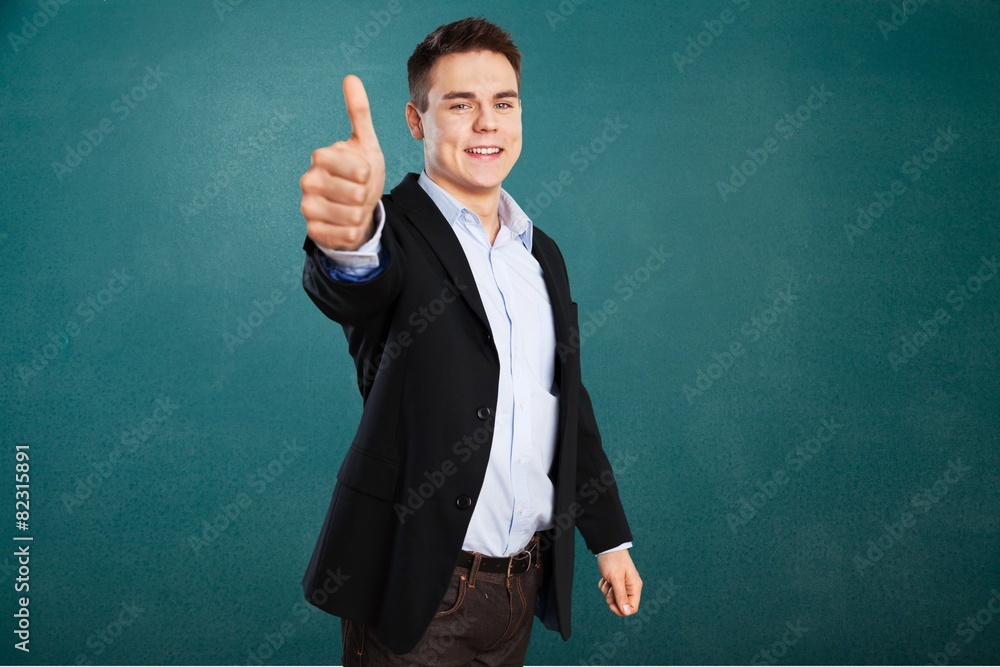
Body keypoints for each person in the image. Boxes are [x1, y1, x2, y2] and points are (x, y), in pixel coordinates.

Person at [297, 16, 642, 666]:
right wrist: (349, 236)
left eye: (503, 103)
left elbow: (567, 408)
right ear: (416, 119)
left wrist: (611, 541)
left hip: (518, 591)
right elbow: (356, 282)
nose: (488, 123)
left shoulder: (542, 255)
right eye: (460, 104)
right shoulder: (392, 232)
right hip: (418, 591)